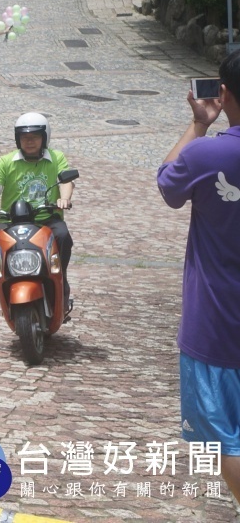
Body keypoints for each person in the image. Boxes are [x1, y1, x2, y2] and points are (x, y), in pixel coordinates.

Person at [157, 52, 240, 503]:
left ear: (223, 94)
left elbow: (168, 182)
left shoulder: (210, 154)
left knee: (221, 440)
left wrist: (198, 125)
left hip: (216, 323)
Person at [0, 113, 75, 311]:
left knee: (63, 236)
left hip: (46, 219)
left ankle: (59, 281)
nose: (29, 142)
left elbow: (65, 181)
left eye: (35, 137)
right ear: (17, 139)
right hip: (12, 220)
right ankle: (7, 280)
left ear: (44, 138)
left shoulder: (56, 158)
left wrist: (64, 199)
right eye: (24, 138)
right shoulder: (6, 161)